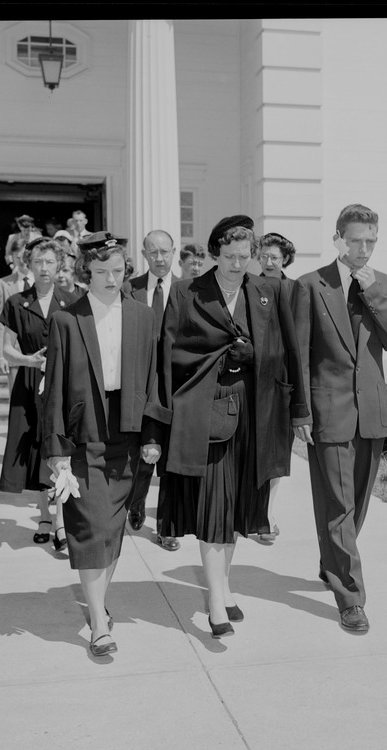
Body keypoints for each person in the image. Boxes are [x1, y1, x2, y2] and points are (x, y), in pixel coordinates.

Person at [152, 215, 308, 638]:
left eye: (245, 257)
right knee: (213, 507)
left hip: (255, 416)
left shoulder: (269, 291)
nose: (239, 265)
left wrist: (258, 357)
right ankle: (216, 603)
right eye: (230, 257)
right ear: (213, 255)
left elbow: (288, 352)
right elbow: (170, 354)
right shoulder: (188, 292)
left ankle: (223, 586)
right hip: (206, 413)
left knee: (239, 507)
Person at [293, 204, 387, 634]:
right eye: (356, 240)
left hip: (371, 413)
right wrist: (300, 412)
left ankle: (331, 563)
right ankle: (351, 598)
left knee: (356, 505)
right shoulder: (310, 286)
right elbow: (299, 355)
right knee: (338, 506)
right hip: (328, 411)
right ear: (338, 239)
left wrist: (374, 294)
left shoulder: (386, 285)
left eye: (371, 241)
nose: (364, 248)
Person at [42, 232, 162, 657]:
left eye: (117, 271)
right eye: (101, 272)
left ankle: (97, 607)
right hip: (83, 433)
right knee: (90, 526)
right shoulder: (66, 320)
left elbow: (153, 381)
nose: (111, 279)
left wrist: (152, 437)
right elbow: (53, 389)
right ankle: (97, 622)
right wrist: (56, 452)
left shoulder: (144, 316)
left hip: (127, 432)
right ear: (84, 272)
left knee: (112, 530)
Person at [0, 237, 76, 552]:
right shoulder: (17, 303)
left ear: (60, 266)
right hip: (30, 384)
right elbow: (4, 348)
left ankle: (60, 520)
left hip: (63, 387)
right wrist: (27, 360)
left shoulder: (72, 300)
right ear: (29, 266)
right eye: (38, 262)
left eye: (50, 262)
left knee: (59, 448)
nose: (44, 268)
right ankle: (44, 517)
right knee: (33, 450)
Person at [126, 229, 181, 551]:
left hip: (176, 388)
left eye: (165, 252)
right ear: (144, 254)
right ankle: (136, 502)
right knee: (143, 454)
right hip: (141, 387)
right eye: (153, 252)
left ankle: (166, 526)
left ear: (174, 252)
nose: (159, 259)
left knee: (172, 461)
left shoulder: (189, 291)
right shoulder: (129, 290)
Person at [255, 232, 299, 543]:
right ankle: (247, 515)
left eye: (275, 257)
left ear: (285, 259)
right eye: (265, 256)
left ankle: (267, 515)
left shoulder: (296, 289)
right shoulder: (246, 286)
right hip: (250, 379)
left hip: (281, 380)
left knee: (275, 454)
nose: (269, 261)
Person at [0, 237, 34, 388]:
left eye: (25, 256)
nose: (22, 261)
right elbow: (0, 322)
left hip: (39, 351)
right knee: (16, 403)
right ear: (13, 258)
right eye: (18, 257)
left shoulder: (43, 283)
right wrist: (0, 356)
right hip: (14, 350)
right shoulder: (3, 284)